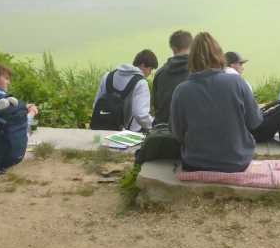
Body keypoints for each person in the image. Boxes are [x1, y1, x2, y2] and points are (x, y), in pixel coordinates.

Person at [171, 32, 263, 172]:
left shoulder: (181, 91)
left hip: (194, 163)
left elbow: (178, 134)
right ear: (219, 55)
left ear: (191, 58)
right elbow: (254, 121)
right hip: (237, 162)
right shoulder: (237, 82)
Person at [92, 50, 158, 132]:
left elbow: (96, 104)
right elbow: (140, 115)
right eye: (150, 69)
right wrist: (153, 124)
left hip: (103, 128)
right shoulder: (141, 83)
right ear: (143, 65)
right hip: (127, 134)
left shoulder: (107, 76)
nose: (150, 73)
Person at [152, 30, 192, 125]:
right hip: (191, 131)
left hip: (163, 130)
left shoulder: (160, 73)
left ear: (173, 48)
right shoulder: (199, 70)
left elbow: (157, 105)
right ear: (192, 46)